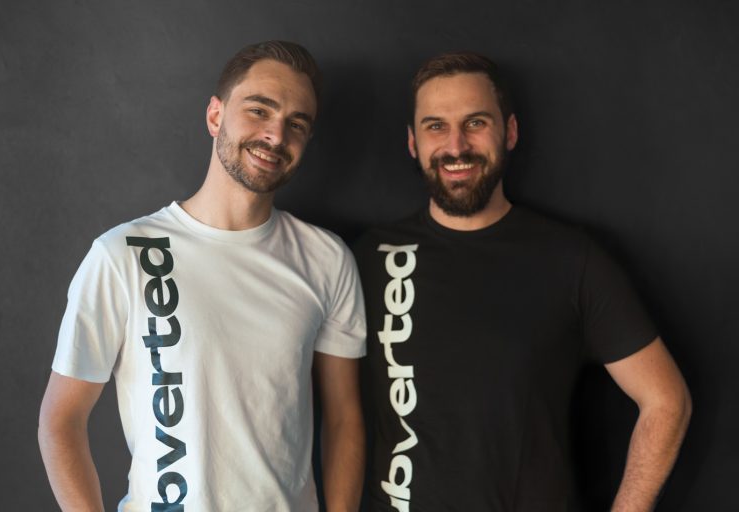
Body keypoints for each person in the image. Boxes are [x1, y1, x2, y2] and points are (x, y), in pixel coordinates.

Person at [354, 52, 692, 511]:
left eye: (475, 123)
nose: (456, 146)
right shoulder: (369, 257)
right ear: (413, 143)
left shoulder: (571, 260)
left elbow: (666, 400)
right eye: (435, 126)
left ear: (509, 132)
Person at [38, 40, 366, 512]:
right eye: (259, 110)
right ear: (216, 116)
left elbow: (343, 419)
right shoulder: (123, 254)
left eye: (297, 124)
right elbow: (61, 420)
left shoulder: (327, 259)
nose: (276, 135)